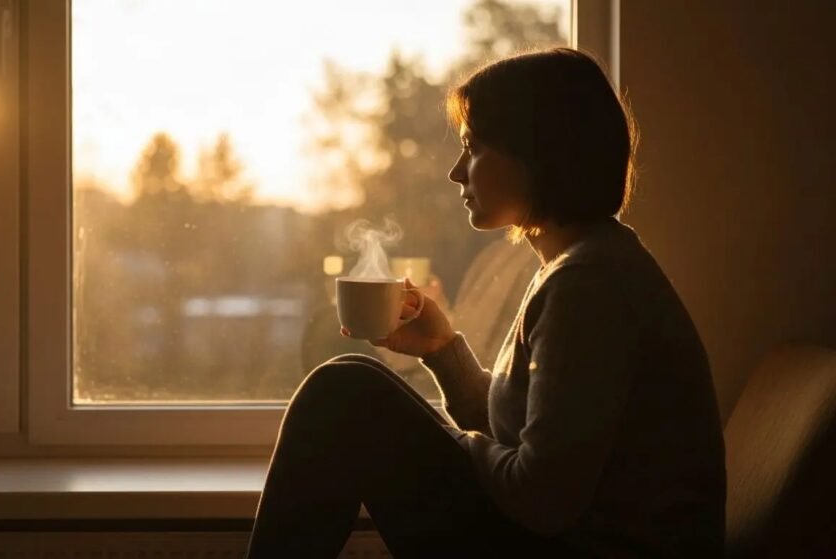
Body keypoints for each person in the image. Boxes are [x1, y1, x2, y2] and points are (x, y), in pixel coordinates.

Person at [247, 48, 726, 558]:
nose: (457, 171)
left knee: (343, 392)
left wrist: (450, 446)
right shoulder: (583, 265)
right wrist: (441, 349)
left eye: (473, 149)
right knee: (347, 388)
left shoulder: (588, 286)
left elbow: (541, 497)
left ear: (537, 153)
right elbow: (527, 441)